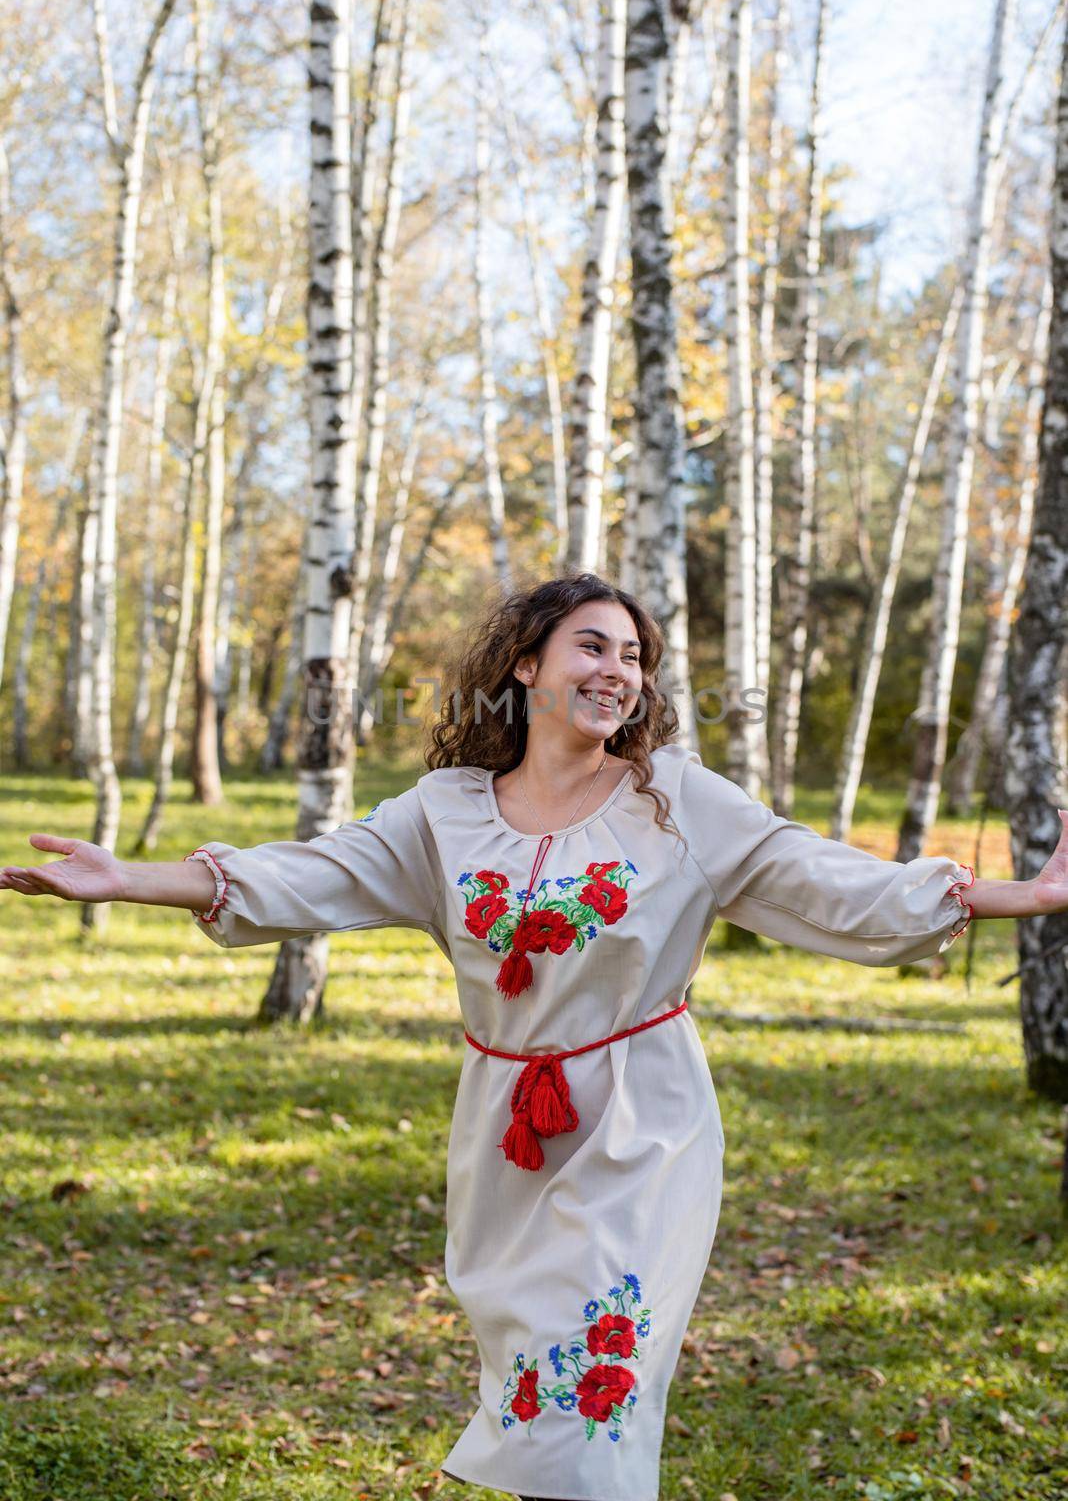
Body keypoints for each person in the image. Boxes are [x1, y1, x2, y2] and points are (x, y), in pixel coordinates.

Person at [4, 571, 1068, 1501]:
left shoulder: (676, 802)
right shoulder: (446, 813)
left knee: (591, 1383)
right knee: (532, 1391)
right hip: (505, 1134)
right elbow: (308, 875)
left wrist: (1029, 893)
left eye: (636, 655)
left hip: (641, 1126)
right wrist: (126, 878)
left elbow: (829, 880)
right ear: (524, 665)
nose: (620, 670)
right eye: (593, 645)